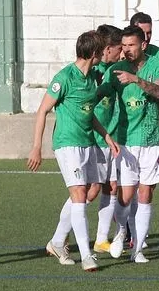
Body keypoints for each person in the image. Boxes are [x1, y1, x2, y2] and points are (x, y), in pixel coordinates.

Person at [27, 30, 119, 272]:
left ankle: (57, 242)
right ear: (94, 53)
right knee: (79, 194)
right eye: (103, 49)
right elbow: (42, 110)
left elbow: (88, 114)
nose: (105, 53)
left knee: (90, 192)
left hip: (87, 141)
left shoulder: (91, 79)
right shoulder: (65, 77)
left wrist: (106, 136)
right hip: (67, 144)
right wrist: (37, 147)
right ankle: (87, 256)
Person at [100, 25, 159, 263]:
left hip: (152, 139)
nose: (127, 50)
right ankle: (122, 231)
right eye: (124, 45)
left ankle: (138, 249)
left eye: (132, 45)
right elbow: (101, 92)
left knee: (146, 193)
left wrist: (135, 80)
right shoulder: (115, 69)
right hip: (127, 141)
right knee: (124, 197)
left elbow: (158, 91)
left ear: (143, 45)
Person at [88, 24, 124, 255]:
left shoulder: (114, 69)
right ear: (108, 48)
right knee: (89, 190)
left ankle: (101, 239)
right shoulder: (94, 71)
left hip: (110, 137)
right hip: (95, 139)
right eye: (119, 48)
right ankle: (58, 238)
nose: (122, 53)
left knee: (111, 186)